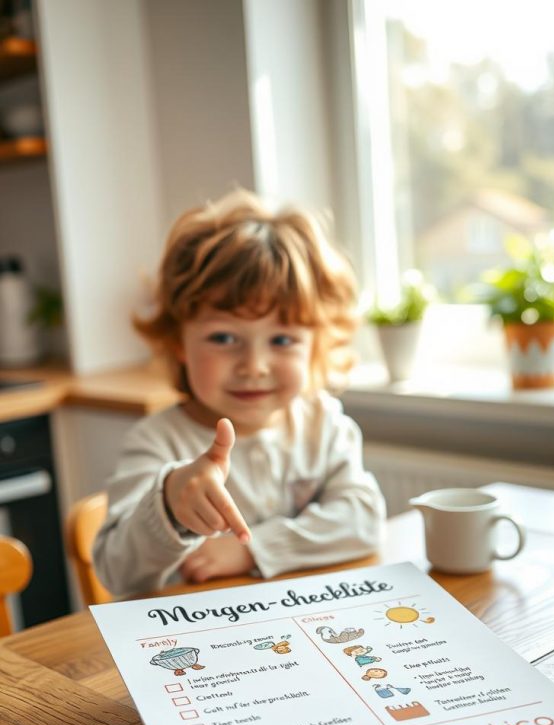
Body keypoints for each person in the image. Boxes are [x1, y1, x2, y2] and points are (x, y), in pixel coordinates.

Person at [93, 189, 386, 597]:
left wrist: (255, 551)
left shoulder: (324, 424)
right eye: (224, 337)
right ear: (179, 341)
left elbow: (364, 520)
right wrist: (170, 506)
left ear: (315, 344)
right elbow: (115, 571)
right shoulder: (157, 441)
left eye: (282, 340)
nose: (254, 365)